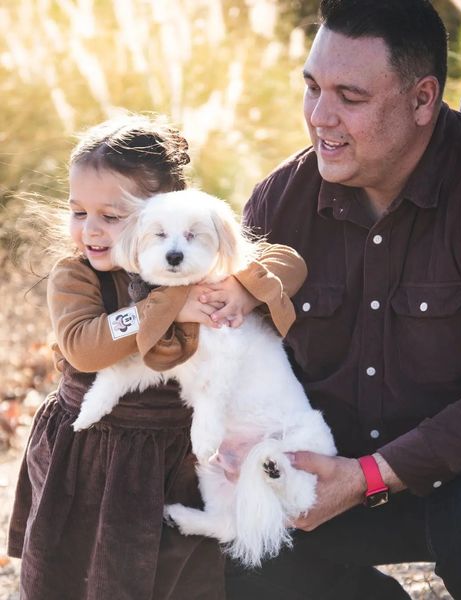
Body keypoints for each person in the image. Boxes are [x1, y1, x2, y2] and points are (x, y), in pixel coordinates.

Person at [226, 1, 461, 599]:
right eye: (311, 87)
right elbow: (239, 357)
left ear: (423, 100)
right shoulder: (279, 204)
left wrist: (370, 476)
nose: (320, 117)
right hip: (324, 475)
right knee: (221, 548)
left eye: (350, 96)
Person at [7, 113, 307, 600]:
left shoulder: (195, 256)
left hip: (175, 453)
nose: (92, 231)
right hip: (93, 454)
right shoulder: (77, 275)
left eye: (112, 214)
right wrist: (168, 304)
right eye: (79, 211)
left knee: (172, 577)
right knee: (77, 571)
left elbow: (288, 263)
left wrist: (242, 287)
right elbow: (85, 346)